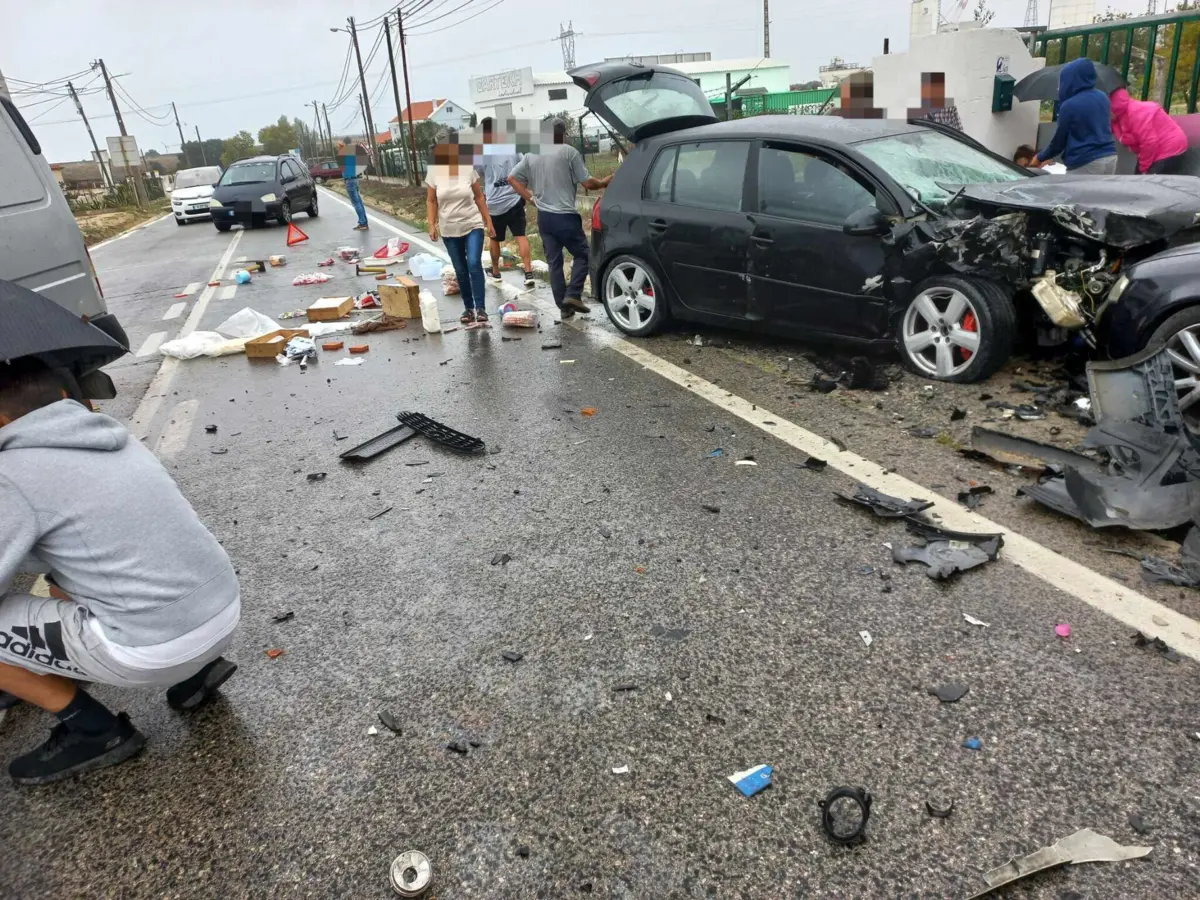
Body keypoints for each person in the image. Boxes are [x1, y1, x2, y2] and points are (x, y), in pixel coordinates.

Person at [0, 357, 240, 785]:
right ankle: (197, 673)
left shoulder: (10, 474)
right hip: (220, 611)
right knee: (71, 572)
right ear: (61, 397)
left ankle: (93, 730)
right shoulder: (112, 436)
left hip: (156, 647)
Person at [507, 119, 611, 318]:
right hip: (565, 217)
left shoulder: (531, 154)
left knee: (554, 262)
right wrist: (605, 181)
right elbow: (588, 184)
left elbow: (512, 178)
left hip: (544, 218)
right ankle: (572, 294)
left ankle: (564, 308)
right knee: (584, 254)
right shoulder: (568, 152)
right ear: (563, 134)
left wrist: (530, 198)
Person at [426, 141, 496, 325]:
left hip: (472, 224)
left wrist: (488, 221)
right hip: (449, 229)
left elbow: (479, 196)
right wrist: (432, 224)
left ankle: (480, 308)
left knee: (473, 263)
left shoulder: (467, 169)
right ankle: (468, 308)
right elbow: (431, 201)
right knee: (460, 270)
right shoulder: (433, 174)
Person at [1032, 58, 1118, 174]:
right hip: (1110, 156)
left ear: (1070, 79)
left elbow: (1058, 142)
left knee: (1075, 192)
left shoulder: (1069, 105)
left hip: (1086, 160)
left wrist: (1039, 158)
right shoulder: (1103, 97)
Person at [478, 117, 535, 288]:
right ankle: (528, 271)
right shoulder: (512, 148)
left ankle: (496, 272)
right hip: (514, 198)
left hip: (494, 204)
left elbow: (479, 174)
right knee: (520, 235)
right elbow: (525, 165)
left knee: (495, 239)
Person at [1109, 86, 1189, 174]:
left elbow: (1149, 142)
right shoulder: (1117, 118)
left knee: (1148, 181)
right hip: (1155, 149)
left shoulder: (1135, 113)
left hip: (1168, 149)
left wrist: (1144, 168)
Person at [338, 140, 370, 230]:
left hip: (350, 181)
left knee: (356, 203)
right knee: (359, 202)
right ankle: (364, 222)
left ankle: (363, 223)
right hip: (355, 180)